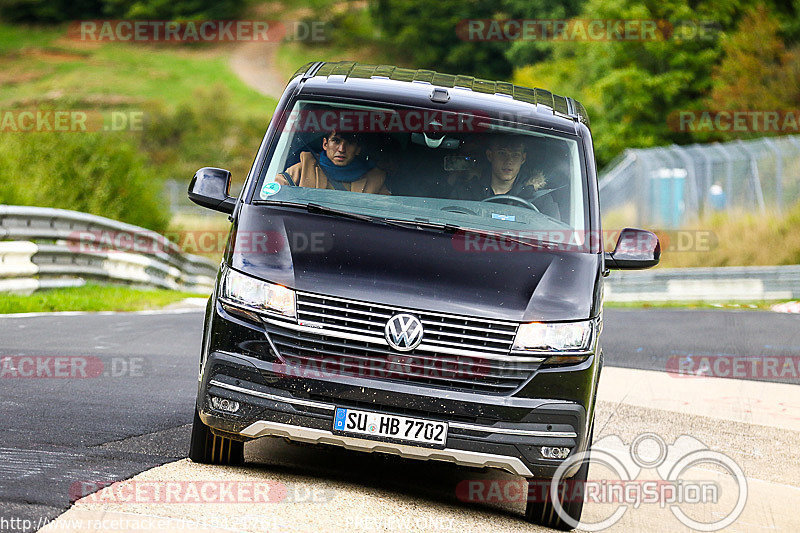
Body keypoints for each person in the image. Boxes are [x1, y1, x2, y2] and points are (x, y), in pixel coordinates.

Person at [452, 134, 560, 219]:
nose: (509, 161)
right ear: (490, 155)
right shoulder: (466, 191)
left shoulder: (539, 199)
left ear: (523, 159)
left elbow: (554, 239)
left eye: (515, 155)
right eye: (502, 153)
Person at [275, 131, 389, 194]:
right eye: (336, 141)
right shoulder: (302, 169)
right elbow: (271, 192)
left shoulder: (375, 179)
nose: (341, 149)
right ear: (325, 144)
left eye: (349, 143)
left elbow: (387, 210)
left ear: (358, 149)